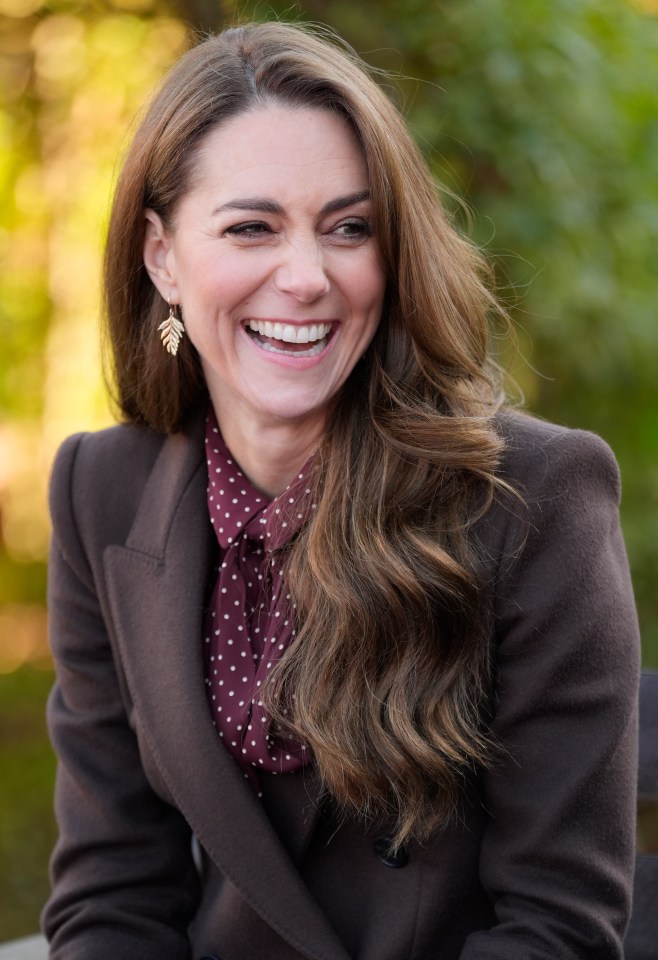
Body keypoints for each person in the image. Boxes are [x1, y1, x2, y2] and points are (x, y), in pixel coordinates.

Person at [42, 20, 640, 960]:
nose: (308, 278)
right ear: (161, 256)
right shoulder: (101, 491)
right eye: (251, 227)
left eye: (349, 229)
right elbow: (114, 893)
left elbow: (557, 925)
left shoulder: (534, 497)